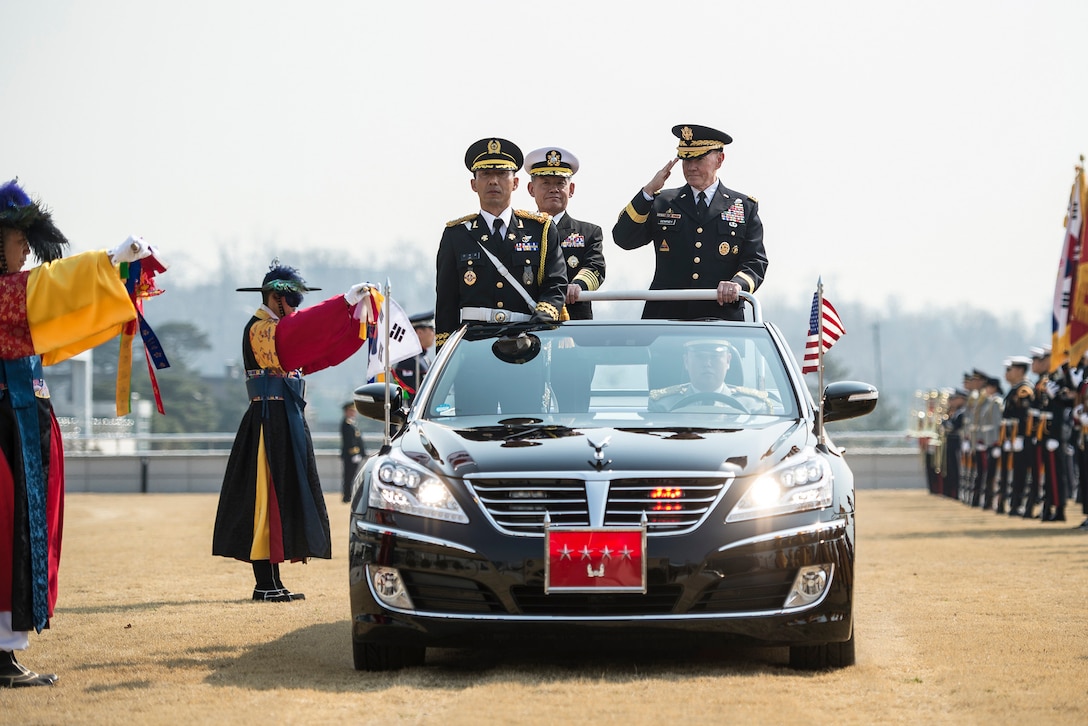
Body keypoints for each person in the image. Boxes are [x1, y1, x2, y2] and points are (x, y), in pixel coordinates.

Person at [1, 178, 157, 687]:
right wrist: (109, 265)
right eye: (17, 238)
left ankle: (5, 653)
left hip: (22, 427)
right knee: (9, 537)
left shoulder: (16, 302)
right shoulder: (9, 297)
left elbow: (62, 318)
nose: (26, 249)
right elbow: (54, 290)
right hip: (9, 432)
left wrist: (119, 286)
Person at [212, 261, 373, 602]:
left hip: (284, 419)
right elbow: (301, 332)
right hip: (267, 421)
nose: (296, 307)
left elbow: (320, 352)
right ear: (275, 297)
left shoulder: (277, 329)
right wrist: (341, 304)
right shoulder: (260, 328)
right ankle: (264, 583)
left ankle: (273, 581)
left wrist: (352, 320)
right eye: (293, 300)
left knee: (280, 498)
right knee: (265, 501)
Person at [612, 124, 768, 321]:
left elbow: (755, 262)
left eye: (699, 159)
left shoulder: (744, 206)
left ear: (720, 160)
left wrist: (737, 284)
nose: (691, 167)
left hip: (720, 318)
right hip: (666, 319)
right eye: (686, 159)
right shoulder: (662, 202)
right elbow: (623, 238)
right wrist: (648, 191)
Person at [435, 137, 567, 349]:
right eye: (486, 174)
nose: (493, 181)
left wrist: (538, 329)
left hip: (526, 342)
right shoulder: (456, 234)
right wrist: (446, 355)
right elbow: (446, 303)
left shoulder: (540, 229)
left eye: (501, 174)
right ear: (473, 184)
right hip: (472, 345)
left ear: (515, 183)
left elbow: (555, 284)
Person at [524, 147, 605, 319]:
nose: (554, 189)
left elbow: (595, 268)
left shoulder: (589, 233)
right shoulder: (518, 232)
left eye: (560, 183)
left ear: (572, 189)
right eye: (546, 182)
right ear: (531, 189)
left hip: (574, 323)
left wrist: (578, 285)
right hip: (529, 323)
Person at [648, 339, 772, 413]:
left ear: (728, 361)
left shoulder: (753, 406)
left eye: (715, 357)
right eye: (700, 356)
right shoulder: (664, 405)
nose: (707, 363)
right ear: (686, 362)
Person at [1002, 356, 1034, 516]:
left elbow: (1024, 416)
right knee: (1015, 472)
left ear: (1020, 370)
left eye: (1010, 369)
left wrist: (1019, 436)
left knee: (1021, 472)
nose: (1007, 373)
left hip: (1021, 438)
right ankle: (1014, 503)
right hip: (1013, 438)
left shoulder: (1024, 390)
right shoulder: (1015, 389)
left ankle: (1019, 503)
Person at [389, 310, 435, 404]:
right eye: (431, 329)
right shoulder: (407, 360)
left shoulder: (423, 359)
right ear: (419, 332)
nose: (433, 334)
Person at [339, 402, 365, 503]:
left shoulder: (352, 423)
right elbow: (349, 441)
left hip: (355, 454)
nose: (353, 413)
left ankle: (349, 495)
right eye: (351, 411)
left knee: (352, 476)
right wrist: (354, 453)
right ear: (346, 412)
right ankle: (347, 496)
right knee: (348, 476)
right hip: (350, 455)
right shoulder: (346, 424)